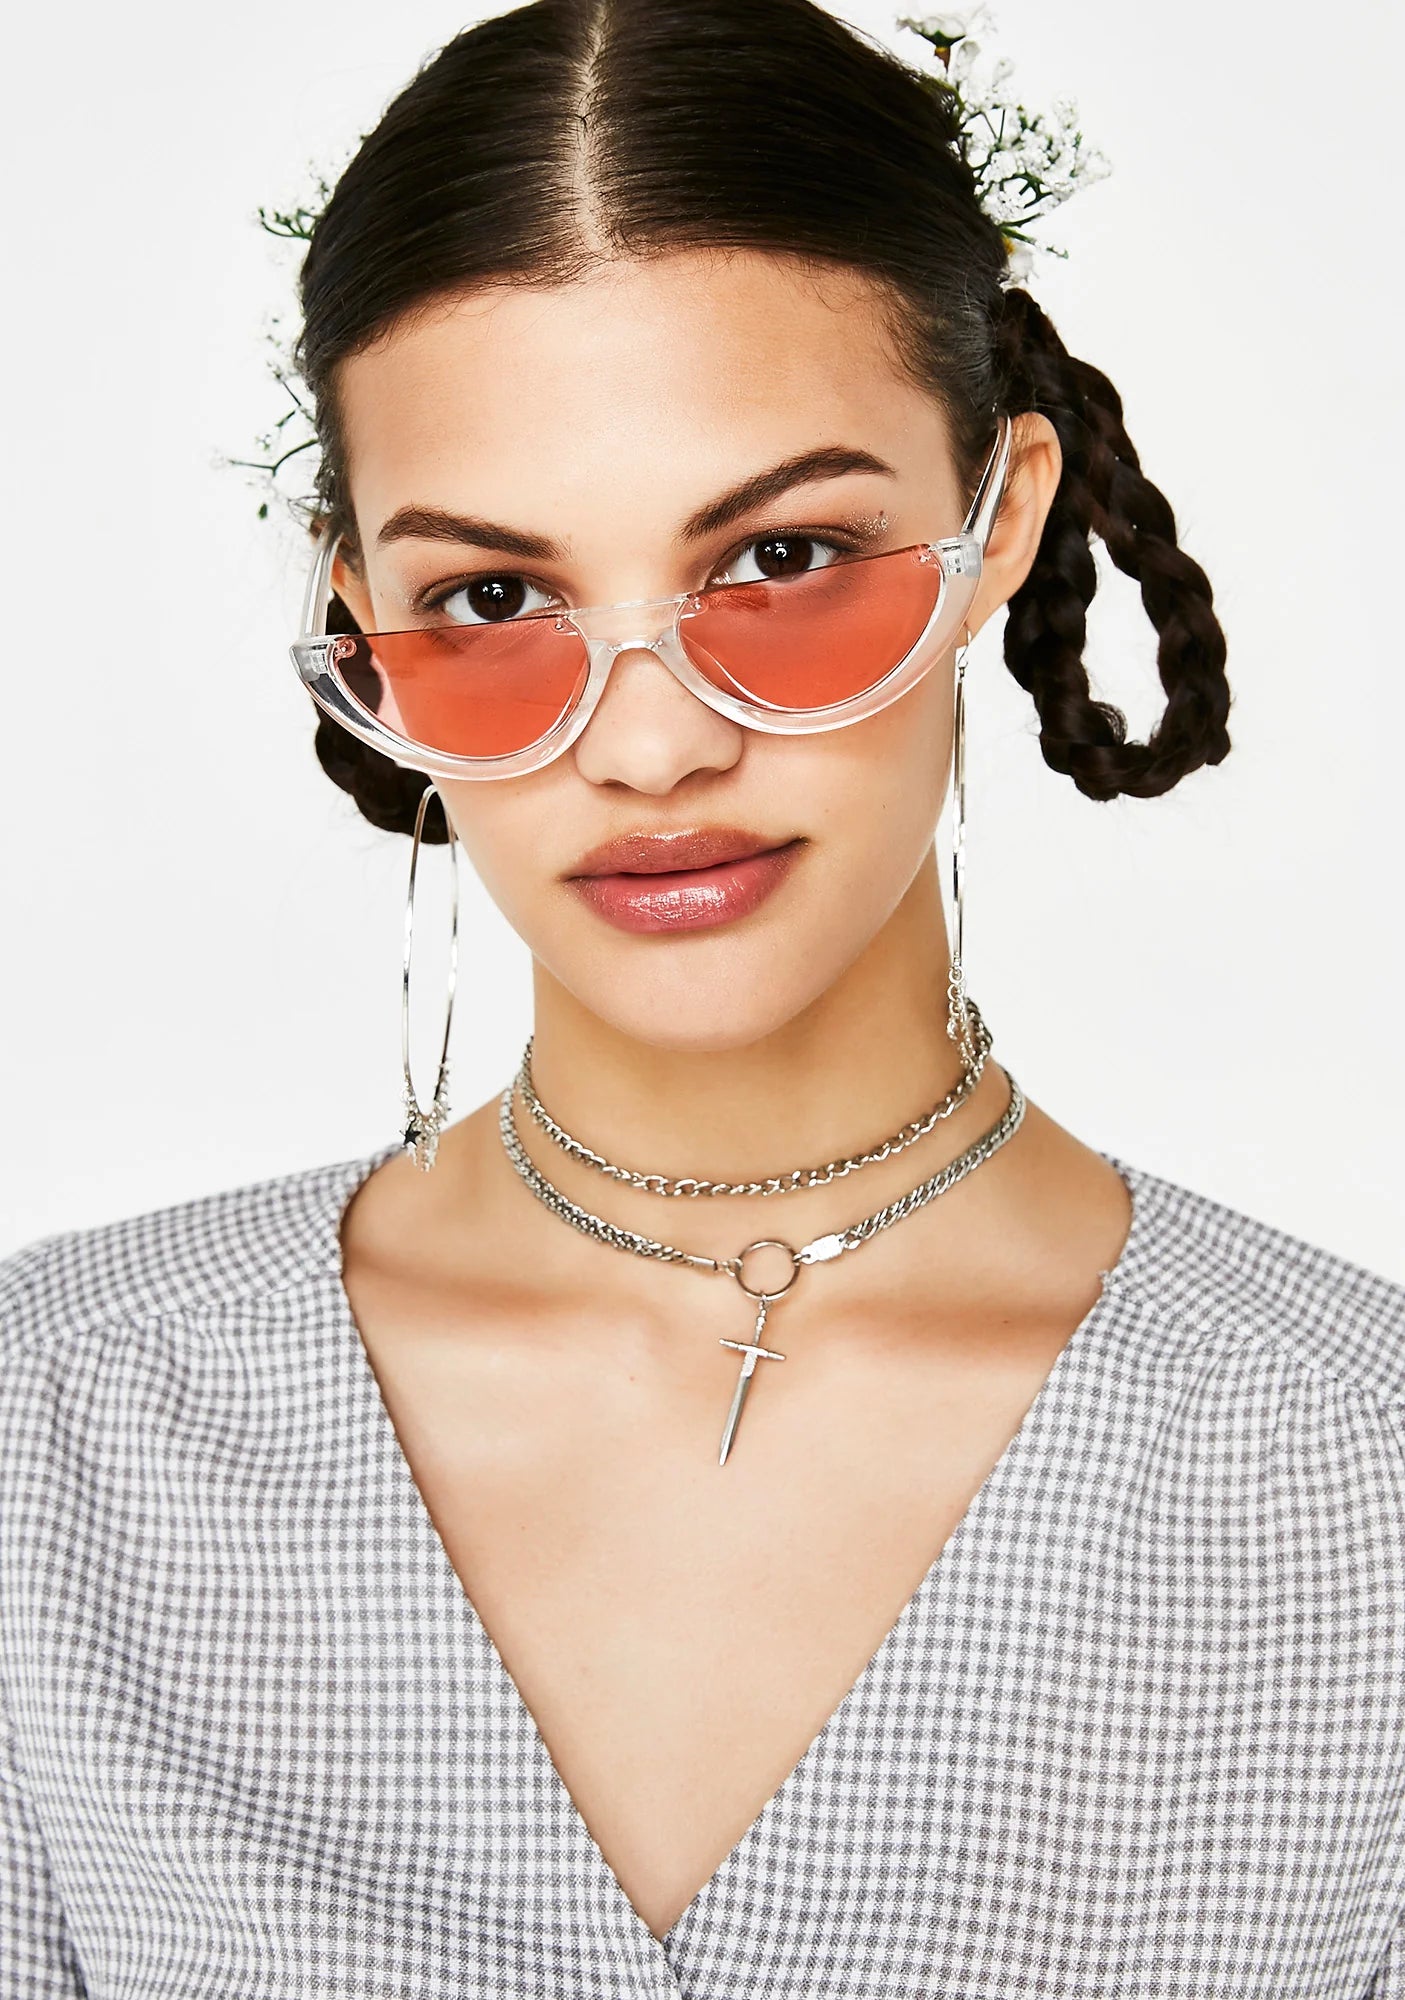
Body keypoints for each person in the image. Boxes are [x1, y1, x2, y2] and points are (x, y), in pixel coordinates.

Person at [3, 1, 1402, 1994]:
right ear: (361, 624)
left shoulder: (1359, 1478)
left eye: (784, 555)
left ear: (999, 520)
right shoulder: (52, 1435)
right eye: (494, 598)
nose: (650, 743)